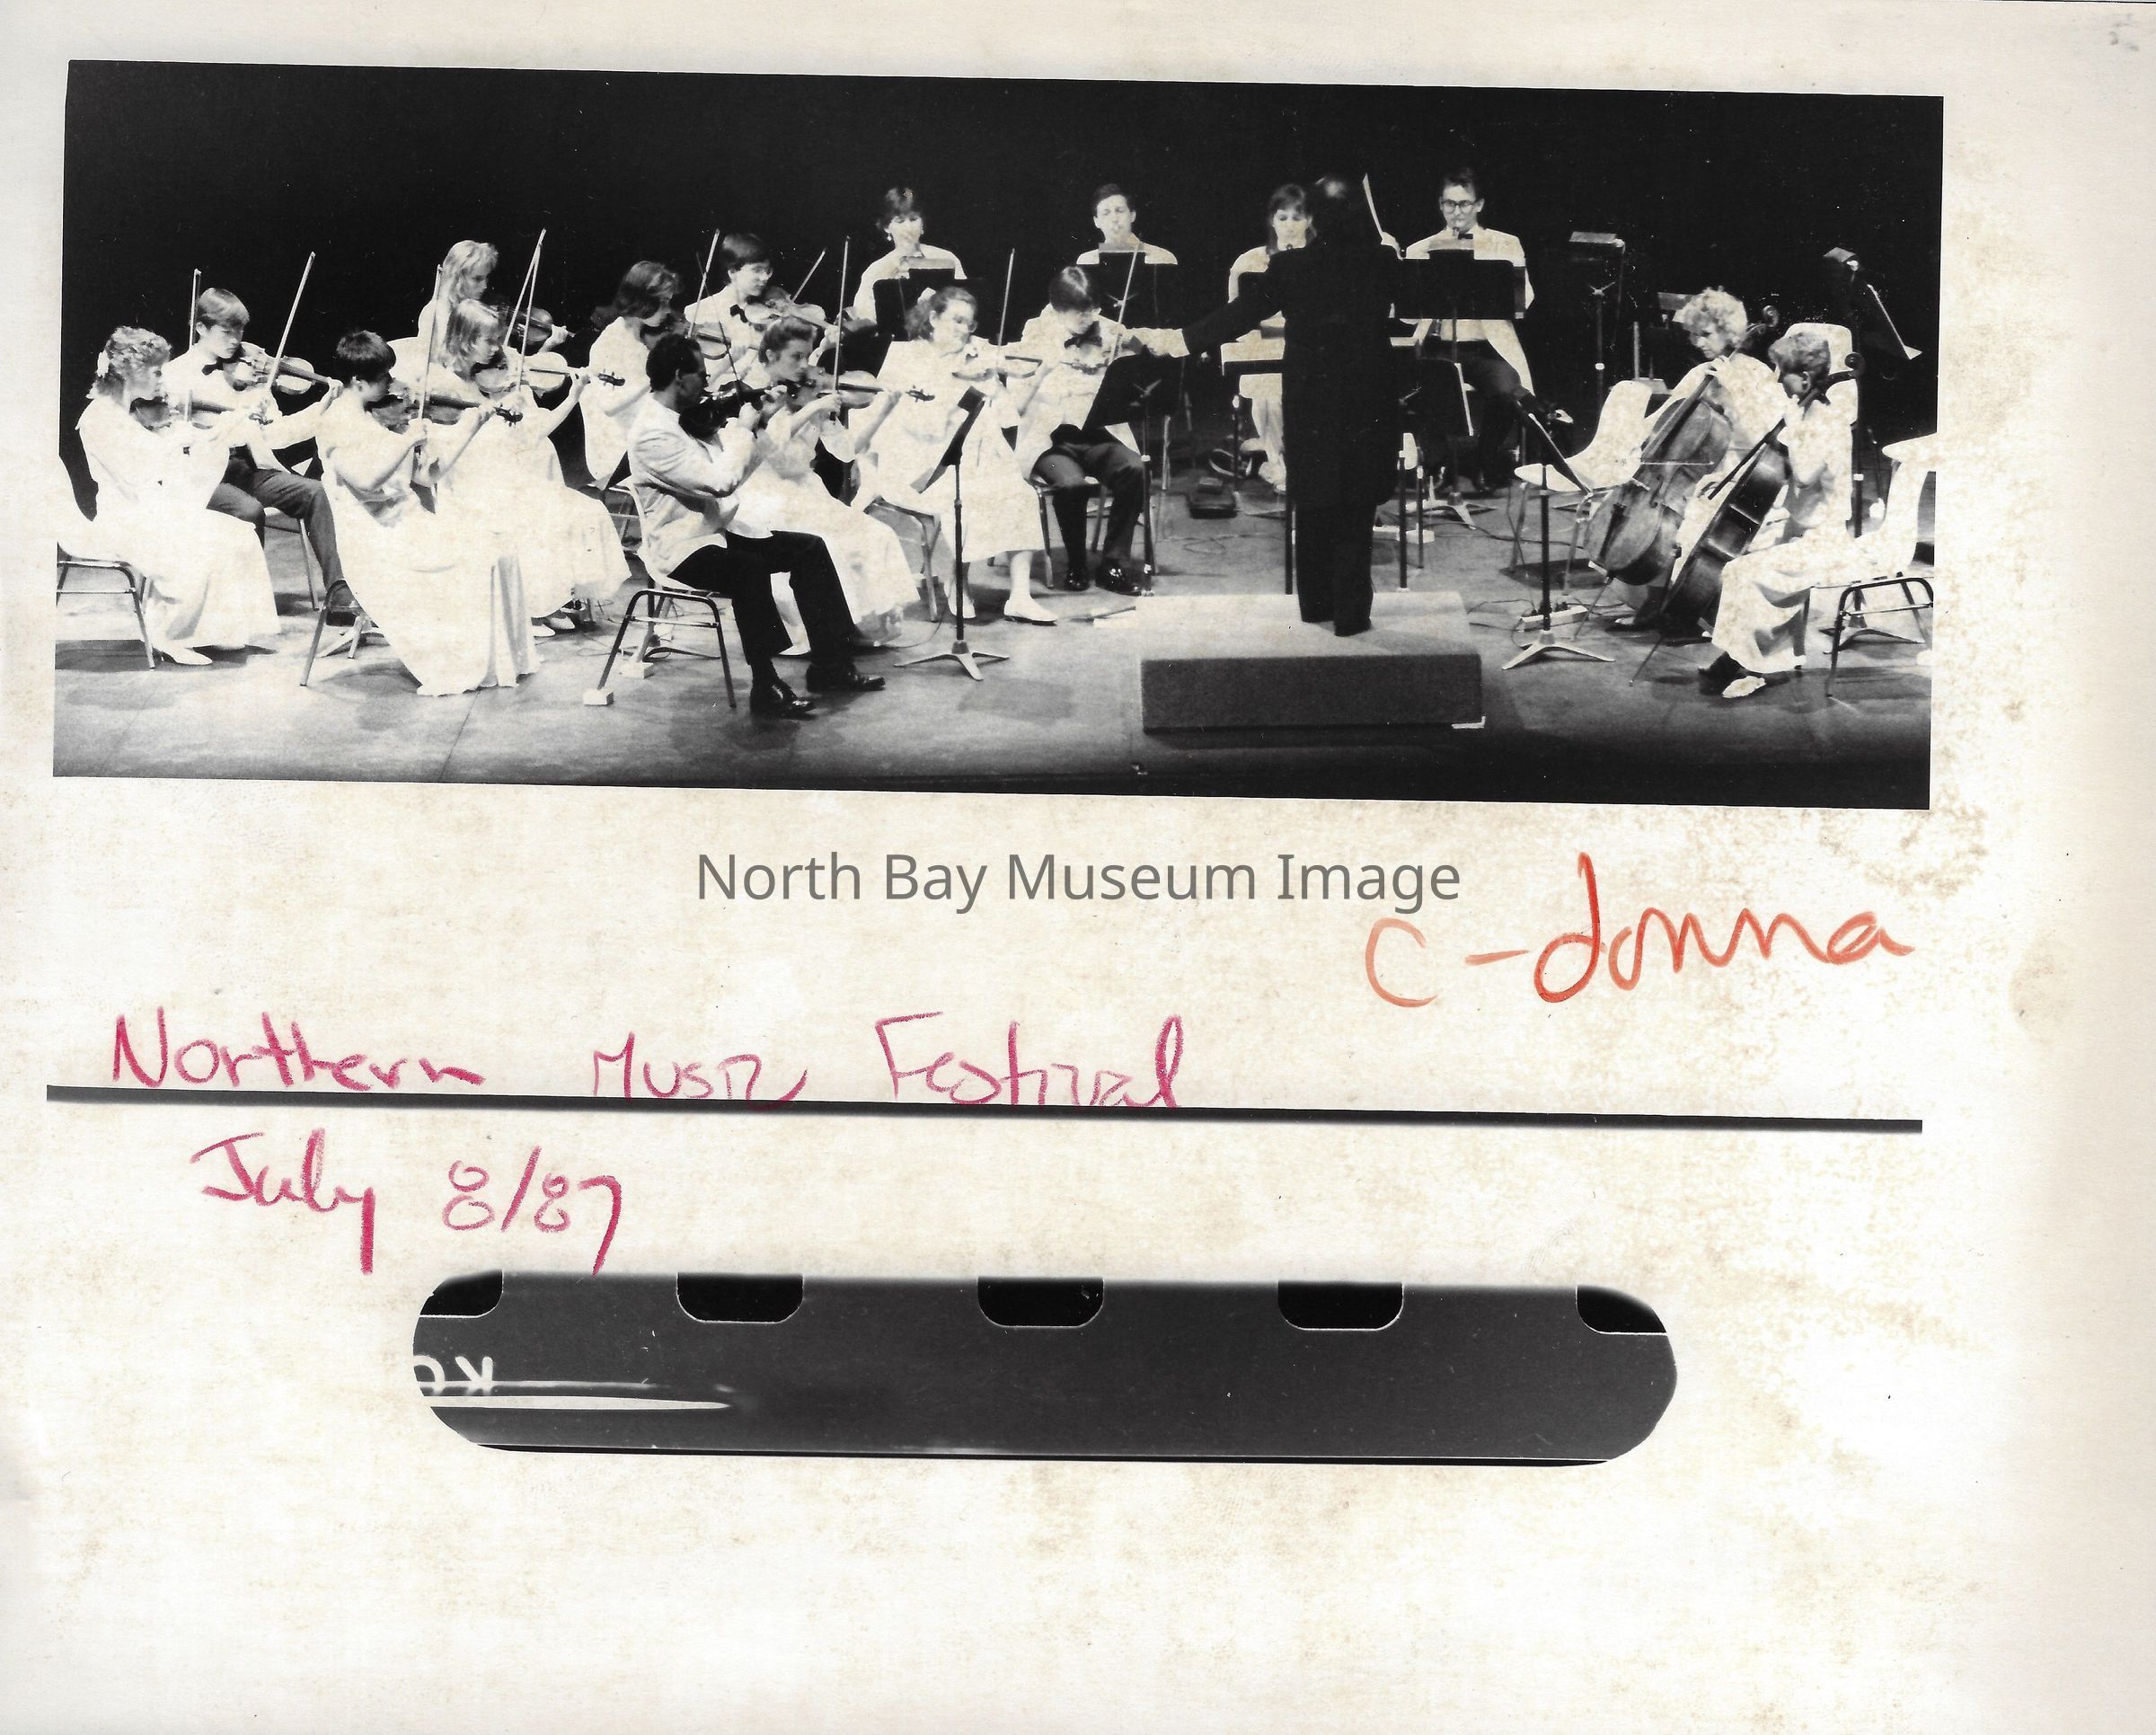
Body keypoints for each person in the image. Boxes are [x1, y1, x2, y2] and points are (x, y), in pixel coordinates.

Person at [1134, 174, 1401, 636]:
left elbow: (1238, 315)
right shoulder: (1381, 260)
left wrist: (1179, 341)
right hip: (1365, 401)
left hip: (1310, 400)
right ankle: (1352, 617)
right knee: (1355, 507)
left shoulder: (1290, 266)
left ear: (1314, 219)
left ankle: (1315, 608)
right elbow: (1398, 284)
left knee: (1313, 499)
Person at [626, 331, 886, 718]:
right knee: (748, 568)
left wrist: (761, 421)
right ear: (680, 376)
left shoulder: (683, 418)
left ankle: (830, 664)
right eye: (702, 375)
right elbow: (719, 482)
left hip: (717, 533)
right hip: (682, 548)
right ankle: (766, 685)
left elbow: (736, 476)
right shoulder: (651, 433)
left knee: (810, 547)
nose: (707, 384)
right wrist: (740, 429)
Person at [315, 330, 539, 697]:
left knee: (501, 549)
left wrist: (470, 428)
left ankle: (500, 663)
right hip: (376, 538)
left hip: (411, 521)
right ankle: (461, 663)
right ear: (358, 381)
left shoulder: (377, 415)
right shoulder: (336, 423)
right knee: (478, 558)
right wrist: (406, 441)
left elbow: (427, 477)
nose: (392, 383)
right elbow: (366, 481)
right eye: (383, 377)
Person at [75, 326, 283, 663]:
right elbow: (137, 473)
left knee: (237, 533)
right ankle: (167, 634)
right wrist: (178, 443)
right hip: (124, 519)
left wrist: (222, 428)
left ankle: (211, 630)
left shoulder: (123, 413)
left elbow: (167, 453)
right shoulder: (99, 417)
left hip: (150, 510)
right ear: (134, 372)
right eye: (156, 372)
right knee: (199, 542)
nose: (162, 379)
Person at [422, 299, 629, 634]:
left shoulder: (492, 382)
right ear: (464, 339)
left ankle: (549, 602)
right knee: (538, 517)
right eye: (490, 341)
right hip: (468, 487)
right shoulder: (442, 384)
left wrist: (571, 395)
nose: (498, 349)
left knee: (584, 509)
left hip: (504, 479)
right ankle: (530, 610)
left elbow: (532, 433)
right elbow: (441, 449)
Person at [857, 285, 1048, 623]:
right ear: (933, 318)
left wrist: (996, 384)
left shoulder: (975, 358)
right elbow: (916, 424)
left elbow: (1007, 417)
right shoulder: (906, 357)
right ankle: (957, 583)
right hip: (917, 465)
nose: (964, 330)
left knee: (1022, 494)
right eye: (957, 321)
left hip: (973, 458)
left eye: (969, 323)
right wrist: (957, 381)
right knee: (965, 498)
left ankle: (1020, 596)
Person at [1605, 288, 1789, 628]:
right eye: (1694, 335)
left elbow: (1766, 436)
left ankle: (1689, 607)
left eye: (1706, 334)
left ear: (1730, 333)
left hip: (1737, 472)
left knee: (1686, 519)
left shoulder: (1757, 374)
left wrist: (1733, 390)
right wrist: (1633, 446)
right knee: (1651, 517)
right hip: (1696, 470)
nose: (1698, 343)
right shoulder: (1700, 373)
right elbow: (1663, 419)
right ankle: (1654, 600)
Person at [1701, 327, 1865, 699]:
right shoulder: (1806, 414)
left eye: (1782, 373)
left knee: (1741, 572)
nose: (1776, 380)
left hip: (1824, 539)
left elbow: (1804, 476)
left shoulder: (1829, 422)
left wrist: (1792, 424)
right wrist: (1722, 481)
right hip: (1799, 531)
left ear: (1805, 378)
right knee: (1743, 569)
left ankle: (1750, 668)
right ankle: (1744, 658)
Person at [736, 315, 920, 644]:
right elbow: (773, 452)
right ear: (770, 357)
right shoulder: (754, 397)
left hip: (806, 492)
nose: (804, 367)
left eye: (807, 357)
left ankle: (855, 625)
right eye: (796, 357)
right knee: (829, 544)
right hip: (765, 496)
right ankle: (822, 632)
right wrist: (812, 409)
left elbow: (847, 451)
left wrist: (882, 412)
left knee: (876, 532)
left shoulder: (809, 396)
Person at [163, 287, 346, 598]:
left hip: (249, 469)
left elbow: (277, 435)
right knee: (249, 511)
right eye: (226, 331)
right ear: (201, 328)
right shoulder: (174, 374)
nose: (236, 340)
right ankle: (247, 602)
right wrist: (236, 416)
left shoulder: (251, 373)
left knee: (315, 492)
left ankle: (340, 596)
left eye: (240, 330)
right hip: (204, 476)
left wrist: (322, 408)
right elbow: (177, 441)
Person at [1009, 267, 1149, 597]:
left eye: (1094, 309)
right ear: (1058, 310)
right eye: (1081, 313)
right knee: (1071, 484)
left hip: (1097, 435)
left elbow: (1142, 352)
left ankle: (1113, 563)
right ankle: (1076, 562)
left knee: (1134, 468)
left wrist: (1134, 351)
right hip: (1050, 443)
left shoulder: (1109, 331)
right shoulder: (1035, 335)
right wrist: (1045, 367)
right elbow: (1017, 400)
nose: (1090, 318)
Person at [1402, 168, 1536, 494]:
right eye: (1450, 204)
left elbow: (1525, 300)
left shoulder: (1505, 244)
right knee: (1423, 389)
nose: (1457, 212)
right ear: (1440, 205)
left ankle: (1484, 460)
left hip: (1483, 348)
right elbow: (1407, 317)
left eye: (1464, 204)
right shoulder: (1421, 248)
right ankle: (1438, 466)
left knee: (1507, 391)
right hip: (1437, 345)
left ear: (1479, 205)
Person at [1222, 183, 1309, 492]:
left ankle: (1306, 464)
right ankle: (1279, 466)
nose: (1289, 225)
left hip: (1308, 346)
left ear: (1309, 221)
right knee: (1268, 390)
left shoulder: (1321, 260)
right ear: (1273, 221)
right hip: (1263, 346)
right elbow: (1236, 317)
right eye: (1283, 218)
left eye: (1297, 218)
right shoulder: (1249, 262)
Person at [579, 261, 683, 488]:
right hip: (621, 446)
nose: (668, 311)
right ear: (643, 302)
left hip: (648, 431)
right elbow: (608, 405)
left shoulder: (643, 337)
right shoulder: (611, 342)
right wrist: (653, 378)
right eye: (663, 303)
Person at [849, 187, 966, 323]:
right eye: (900, 221)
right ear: (887, 227)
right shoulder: (875, 271)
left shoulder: (947, 259)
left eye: (913, 219)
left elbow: (966, 304)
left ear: (922, 224)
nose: (908, 228)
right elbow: (864, 317)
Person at [1076, 184, 1179, 266]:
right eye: (1106, 213)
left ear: (1132, 215)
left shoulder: (1162, 257)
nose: (1114, 219)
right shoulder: (1087, 261)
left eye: (1120, 211)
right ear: (1096, 222)